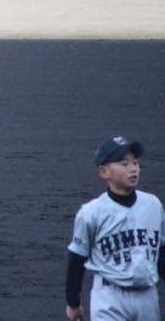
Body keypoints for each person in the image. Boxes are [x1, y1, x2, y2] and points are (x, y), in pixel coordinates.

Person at [65, 136, 165, 321]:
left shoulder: (153, 205)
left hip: (147, 296)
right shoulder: (91, 213)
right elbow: (77, 259)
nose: (133, 168)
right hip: (109, 298)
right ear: (104, 172)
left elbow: (161, 253)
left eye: (135, 162)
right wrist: (73, 303)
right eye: (124, 163)